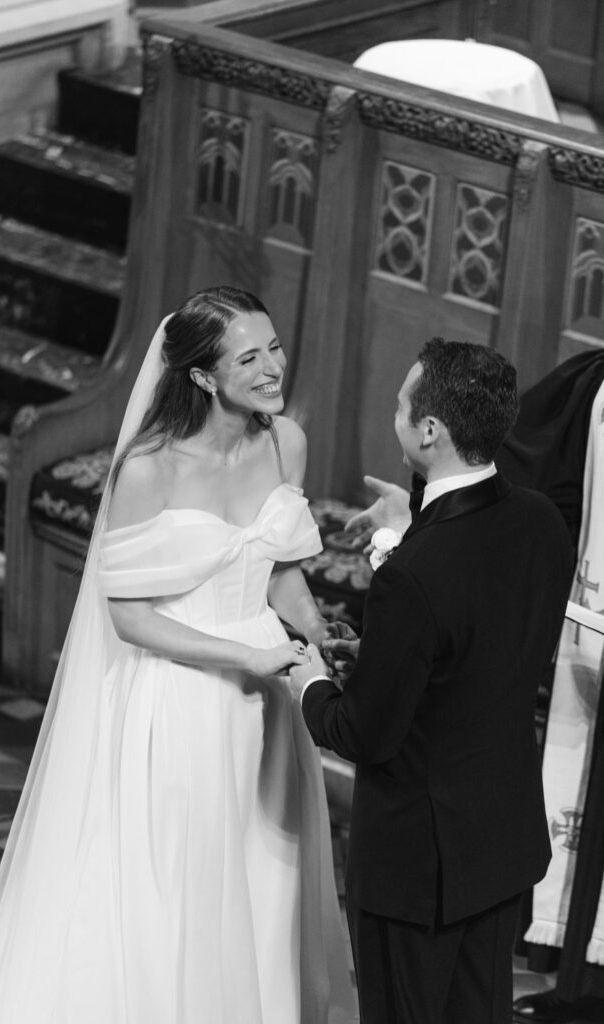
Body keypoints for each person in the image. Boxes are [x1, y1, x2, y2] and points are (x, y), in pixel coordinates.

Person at [0, 286, 355, 1023]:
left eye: (274, 348)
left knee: (259, 869)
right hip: (180, 692)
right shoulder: (149, 470)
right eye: (248, 357)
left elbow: (278, 564)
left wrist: (315, 629)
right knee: (177, 875)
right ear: (201, 376)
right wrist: (236, 657)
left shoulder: (287, 442)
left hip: (267, 692)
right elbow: (128, 617)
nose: (272, 368)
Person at [286, 338, 574, 1024]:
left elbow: (364, 733)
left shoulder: (411, 578)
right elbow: (478, 646)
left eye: (399, 406)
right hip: (498, 848)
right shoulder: (539, 520)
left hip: (418, 873)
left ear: (430, 430)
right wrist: (411, 525)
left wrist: (312, 683)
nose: (394, 417)